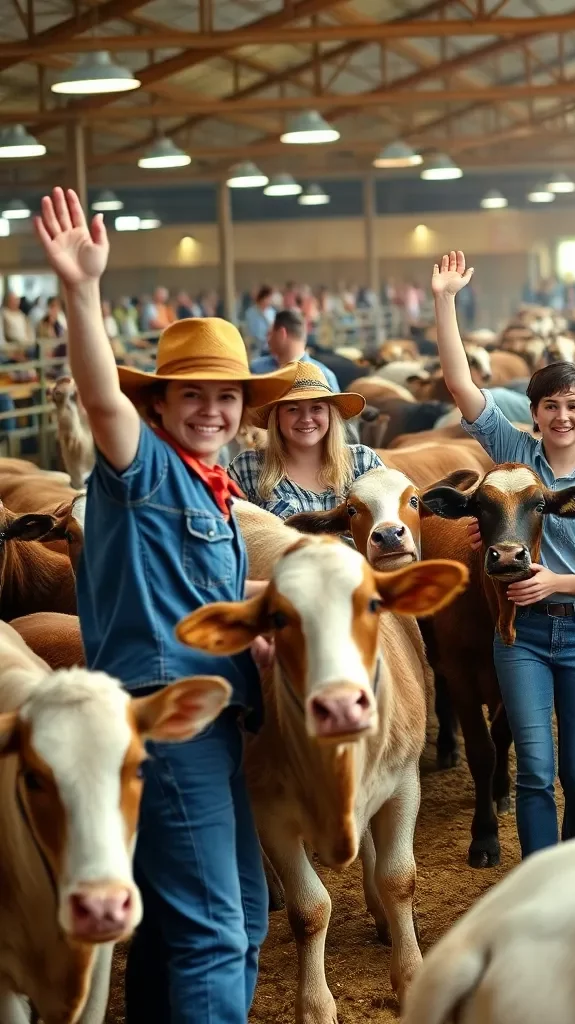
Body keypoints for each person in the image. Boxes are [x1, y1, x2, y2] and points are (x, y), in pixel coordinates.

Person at [31, 186, 297, 1024]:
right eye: (192, 395)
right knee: (219, 930)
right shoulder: (141, 468)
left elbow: (213, 596)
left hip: (212, 720)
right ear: (158, 406)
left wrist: (300, 600)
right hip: (163, 719)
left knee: (223, 920)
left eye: (227, 397)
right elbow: (100, 396)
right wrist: (81, 290)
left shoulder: (214, 495)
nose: (213, 409)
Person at [432, 250, 575, 859]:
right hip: (518, 634)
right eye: (550, 405)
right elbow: (459, 384)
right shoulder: (512, 455)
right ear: (536, 413)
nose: (561, 416)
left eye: (573, 405)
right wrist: (446, 301)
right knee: (530, 770)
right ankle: (540, 879)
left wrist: (555, 584)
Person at [229, 360, 378, 519]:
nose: (306, 419)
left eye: (316, 408)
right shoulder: (247, 467)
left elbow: (394, 524)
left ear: (330, 414)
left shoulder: (363, 462)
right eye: (293, 409)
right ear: (277, 418)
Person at [249, 308, 341, 392]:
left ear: (281, 334)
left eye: (270, 334)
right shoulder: (325, 376)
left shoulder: (258, 371)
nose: (268, 340)